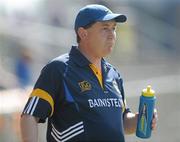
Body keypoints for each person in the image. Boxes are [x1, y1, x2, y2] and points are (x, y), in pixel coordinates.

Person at [20, 4, 157, 142]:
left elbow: (122, 122)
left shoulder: (114, 75)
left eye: (113, 28)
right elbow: (30, 115)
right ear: (83, 33)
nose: (112, 35)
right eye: (105, 28)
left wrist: (140, 119)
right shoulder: (59, 69)